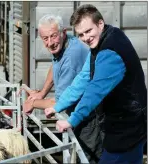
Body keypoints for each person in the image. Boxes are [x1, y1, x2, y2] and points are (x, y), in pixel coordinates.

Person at [44, 4, 147, 164]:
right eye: (81, 34)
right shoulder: (104, 39)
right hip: (127, 123)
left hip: (126, 128)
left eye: (88, 31)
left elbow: (94, 91)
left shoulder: (110, 52)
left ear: (100, 23)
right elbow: (84, 77)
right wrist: (59, 105)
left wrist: (72, 120)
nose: (86, 38)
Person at [22, 14, 103, 163]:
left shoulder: (72, 57)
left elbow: (60, 103)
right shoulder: (65, 44)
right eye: (45, 38)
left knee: (87, 158)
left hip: (88, 119)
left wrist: (32, 103)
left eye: (53, 36)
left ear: (63, 32)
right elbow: (55, 65)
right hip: (79, 115)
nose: (50, 43)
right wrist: (42, 93)